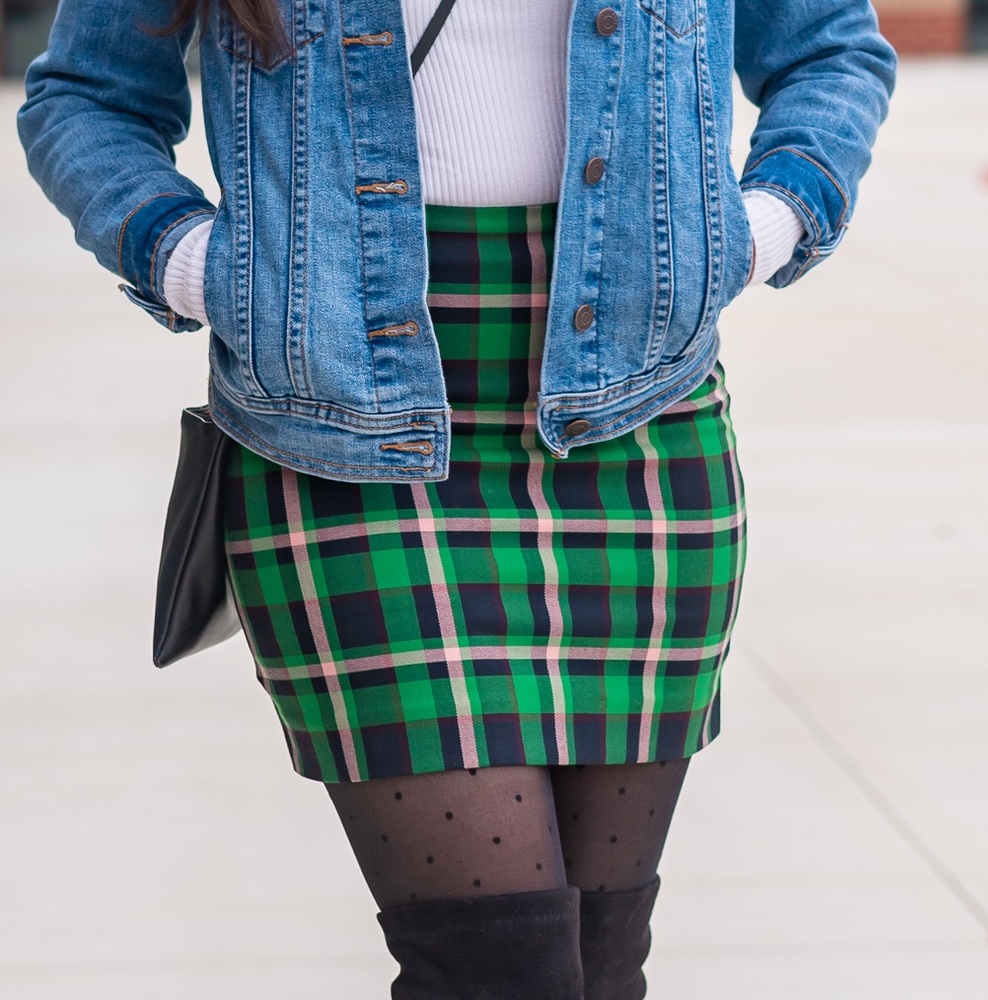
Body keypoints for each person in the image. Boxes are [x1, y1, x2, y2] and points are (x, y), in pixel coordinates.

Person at [18, 1, 895, 995]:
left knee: (599, 967)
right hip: (342, 433)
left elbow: (829, 50)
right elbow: (85, 99)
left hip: (636, 421)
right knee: (500, 972)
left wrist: (755, 232)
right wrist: (202, 272)